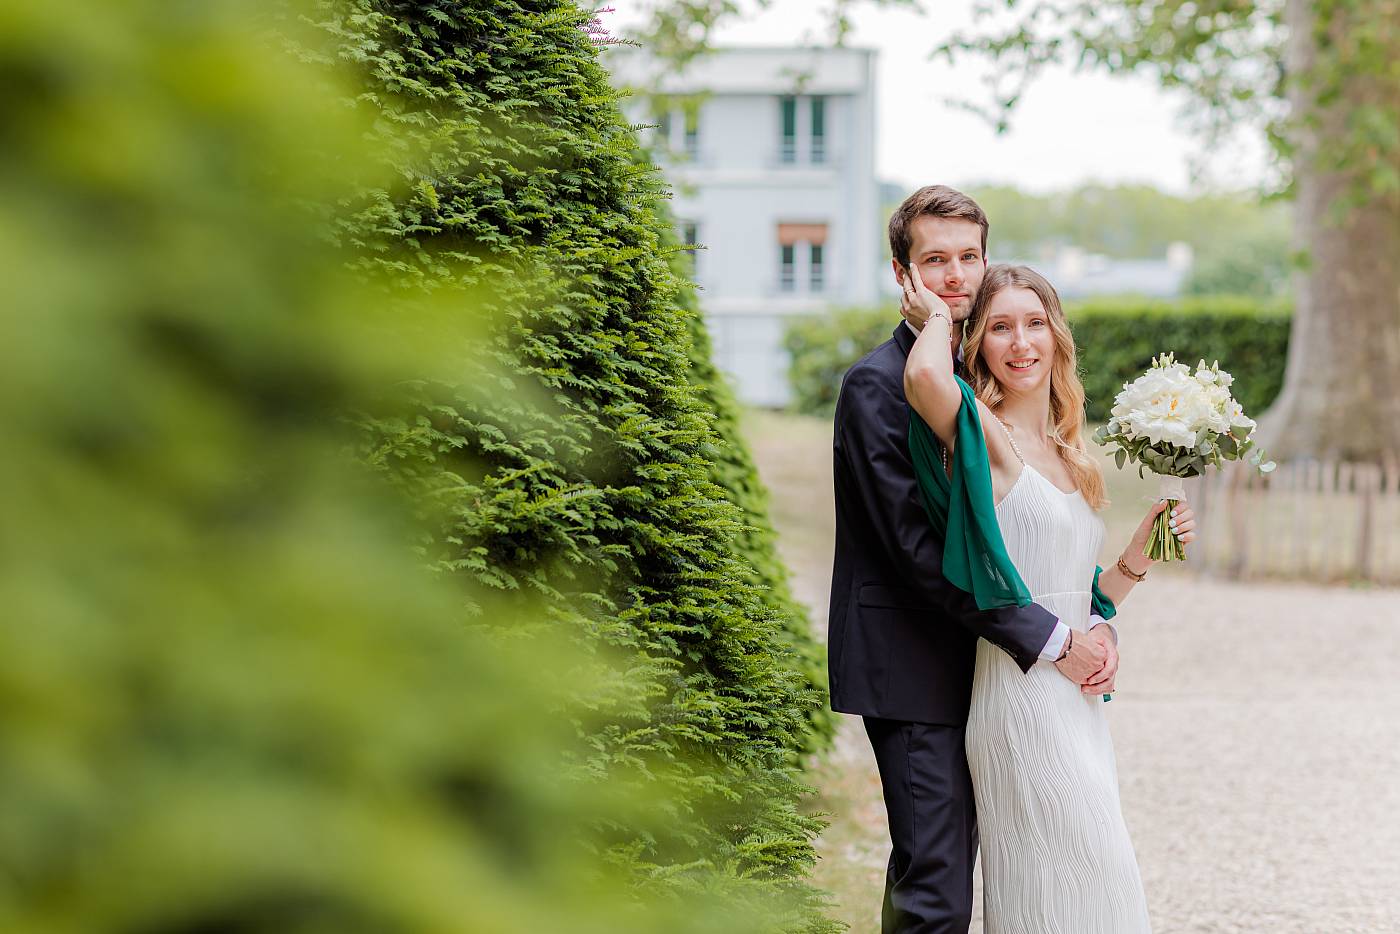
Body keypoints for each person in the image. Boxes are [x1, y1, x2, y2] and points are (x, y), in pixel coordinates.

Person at [829, 185, 1120, 932]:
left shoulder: (981, 378)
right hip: (915, 671)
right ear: (904, 275)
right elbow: (918, 553)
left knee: (1035, 865)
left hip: (994, 672)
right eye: (935, 261)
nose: (955, 276)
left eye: (968, 258)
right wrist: (1050, 639)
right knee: (936, 886)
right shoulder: (877, 387)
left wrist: (1099, 612)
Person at [901, 259, 1196, 932]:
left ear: (1058, 337)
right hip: (1019, 689)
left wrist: (1136, 557)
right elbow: (923, 377)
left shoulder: (1070, 451)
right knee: (1076, 877)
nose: (1021, 342)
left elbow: (1078, 596)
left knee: (1090, 886)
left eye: (1035, 323)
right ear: (980, 347)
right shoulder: (985, 431)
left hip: (1079, 699)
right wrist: (939, 317)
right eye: (1000, 327)